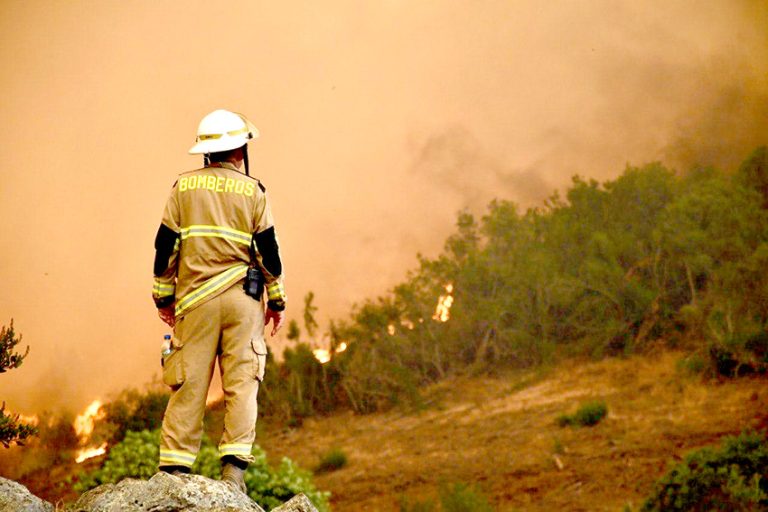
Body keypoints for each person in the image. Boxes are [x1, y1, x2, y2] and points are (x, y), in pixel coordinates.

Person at [151, 109, 286, 491]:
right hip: (244, 302)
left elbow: (165, 247)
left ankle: (175, 472)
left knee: (189, 384)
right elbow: (269, 254)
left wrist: (163, 296)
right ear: (240, 150)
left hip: (195, 302)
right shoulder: (254, 191)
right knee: (242, 384)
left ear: (206, 152)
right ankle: (233, 474)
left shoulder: (182, 188)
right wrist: (277, 301)